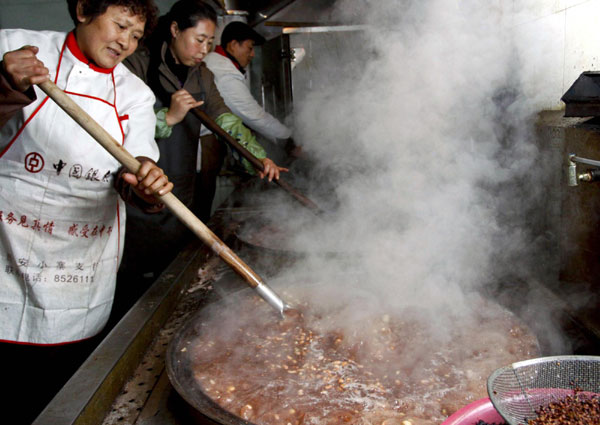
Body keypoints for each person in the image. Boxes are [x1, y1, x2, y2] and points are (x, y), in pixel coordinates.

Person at [0, 1, 172, 423]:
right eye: (120, 25)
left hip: (77, 276)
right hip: (6, 256)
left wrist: (148, 185)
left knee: (61, 398)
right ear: (82, 10)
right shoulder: (18, 49)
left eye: (136, 35)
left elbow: (138, 175)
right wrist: (4, 84)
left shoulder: (134, 95)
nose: (126, 43)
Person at [117, 0, 287, 303]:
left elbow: (225, 119)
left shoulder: (202, 75)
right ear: (174, 30)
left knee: (174, 268)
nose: (203, 50)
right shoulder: (137, 64)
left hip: (181, 180)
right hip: (137, 186)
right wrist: (168, 117)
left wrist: (257, 157)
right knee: (136, 270)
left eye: (210, 42)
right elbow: (117, 125)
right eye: (199, 40)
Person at [203, 21, 293, 144]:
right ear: (233, 45)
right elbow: (255, 116)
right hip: (204, 142)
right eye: (249, 48)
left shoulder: (216, 63)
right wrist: (289, 140)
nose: (252, 54)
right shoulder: (225, 74)